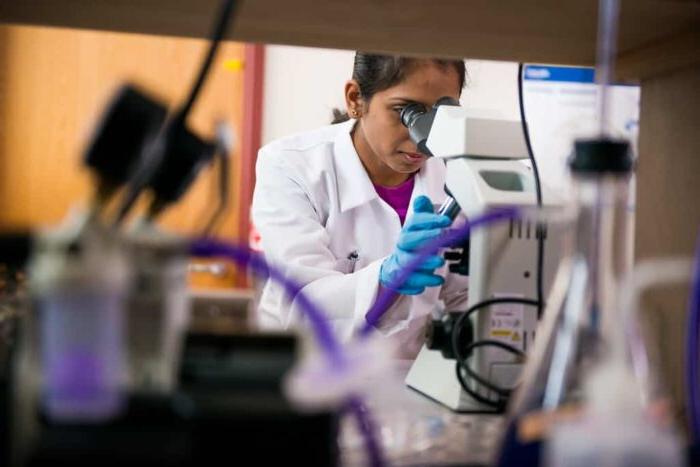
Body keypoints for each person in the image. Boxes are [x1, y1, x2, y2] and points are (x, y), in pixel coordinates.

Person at [251, 52, 469, 358]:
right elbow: (303, 303)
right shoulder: (291, 165)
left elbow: (466, 297)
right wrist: (385, 278)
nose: (426, 137)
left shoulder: (460, 176)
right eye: (407, 112)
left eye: (441, 115)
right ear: (356, 99)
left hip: (405, 384)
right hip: (305, 373)